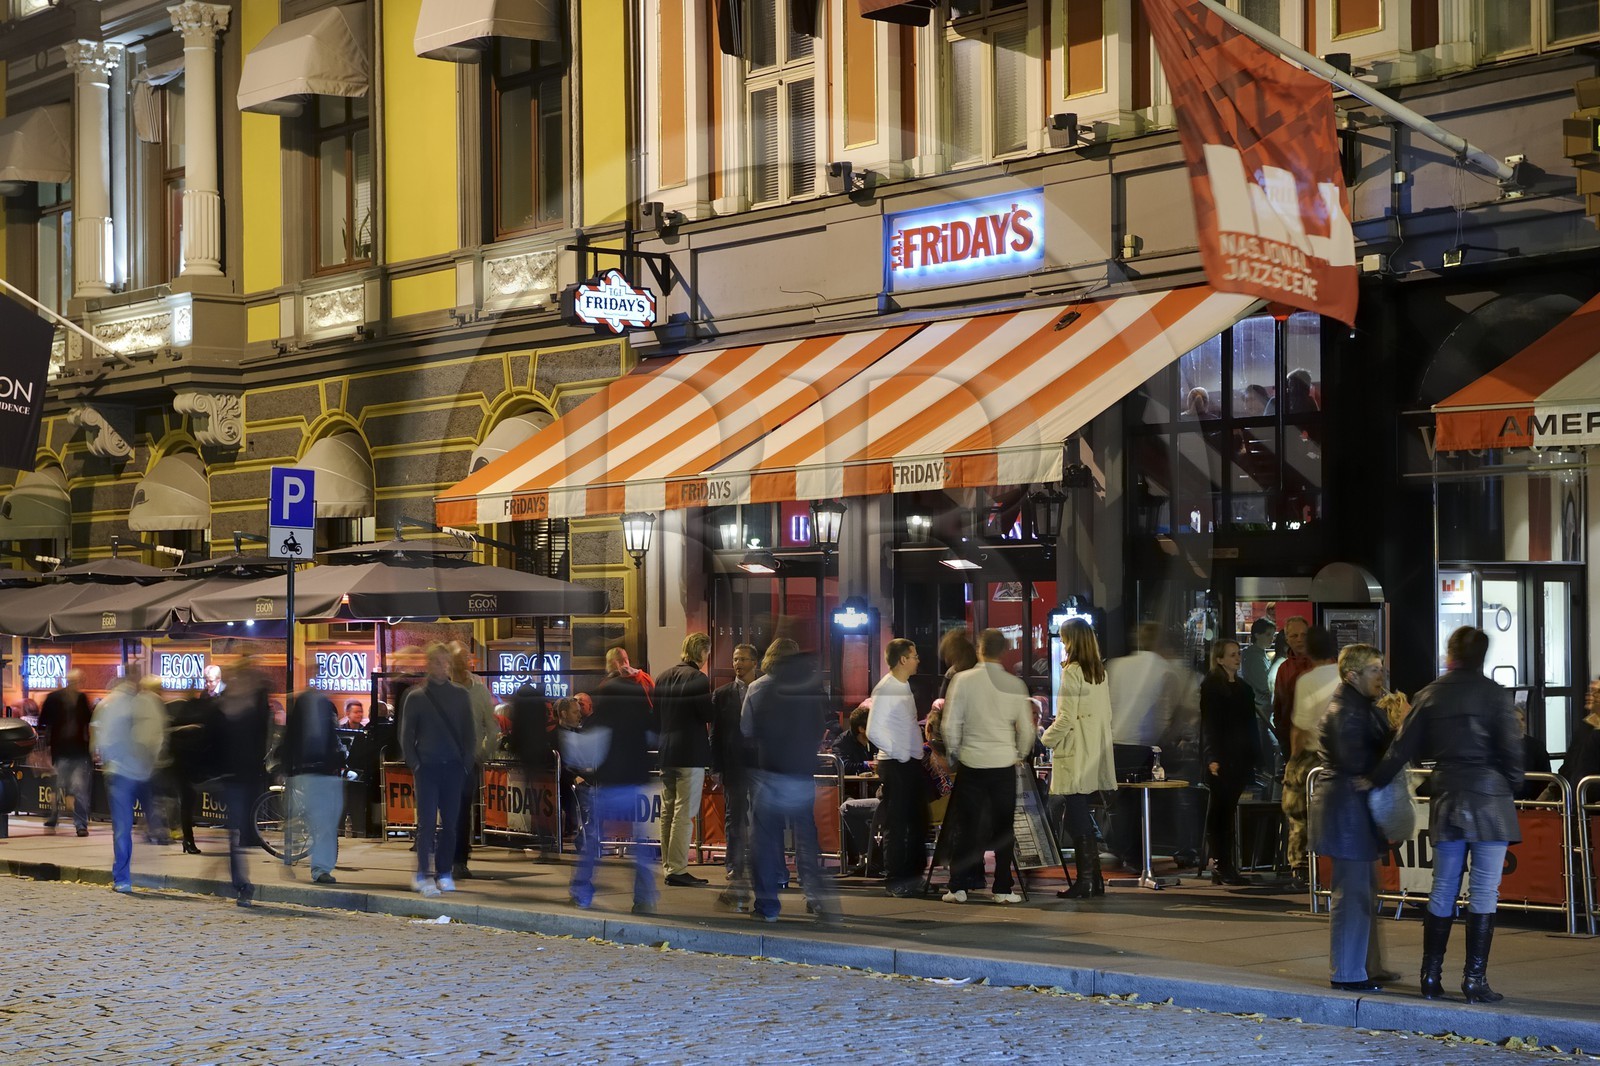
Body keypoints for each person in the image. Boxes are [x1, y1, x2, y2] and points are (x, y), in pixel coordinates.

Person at [1368, 626, 1522, 1004]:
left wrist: (1374, 781)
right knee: (1484, 890)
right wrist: (1512, 783)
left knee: (1443, 886)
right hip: (1490, 799)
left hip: (1448, 795)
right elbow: (1512, 753)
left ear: (1450, 654)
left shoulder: (1429, 694)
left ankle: (1431, 975)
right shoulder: (1496, 695)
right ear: (1482, 656)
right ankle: (1474, 979)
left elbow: (1402, 748)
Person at [1312, 643, 1396, 992]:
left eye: (1381, 668)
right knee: (1352, 895)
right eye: (1374, 669)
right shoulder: (1348, 711)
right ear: (1352, 675)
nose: (1381, 675)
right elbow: (1357, 761)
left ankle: (1363, 966)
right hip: (1347, 811)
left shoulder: (1357, 706)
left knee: (1361, 893)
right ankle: (1348, 972)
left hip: (1349, 811)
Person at [940, 629, 1035, 905]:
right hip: (1003, 763)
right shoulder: (1015, 685)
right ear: (1004, 651)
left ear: (979, 649)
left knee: (966, 826)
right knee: (1004, 828)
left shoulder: (962, 680)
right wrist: (1019, 753)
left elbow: (950, 724)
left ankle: (958, 886)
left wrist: (955, 752)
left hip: (972, 762)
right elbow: (1027, 730)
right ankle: (1003, 888)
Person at [746, 640, 839, 923]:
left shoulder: (761, 688)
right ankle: (816, 897)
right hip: (802, 775)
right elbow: (819, 727)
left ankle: (768, 905)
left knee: (764, 839)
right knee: (806, 838)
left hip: (772, 774)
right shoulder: (810, 692)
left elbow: (748, 728)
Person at [568, 655, 659, 914]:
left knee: (594, 838)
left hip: (608, 783)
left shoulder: (604, 715)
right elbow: (653, 737)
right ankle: (644, 897)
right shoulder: (640, 712)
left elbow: (591, 748)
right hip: (634, 782)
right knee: (640, 844)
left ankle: (582, 889)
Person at [1042, 618, 1116, 899]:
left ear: (1071, 640)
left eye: (1063, 639)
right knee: (1079, 813)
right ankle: (1093, 880)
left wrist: (1045, 739)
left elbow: (1065, 718)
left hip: (1075, 752)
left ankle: (1086, 882)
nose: (1062, 644)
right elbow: (1106, 715)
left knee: (1076, 817)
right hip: (1094, 750)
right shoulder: (1099, 673)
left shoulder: (1072, 672)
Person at [401, 644, 476, 897]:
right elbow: (406, 735)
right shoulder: (416, 697)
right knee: (427, 824)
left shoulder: (460, 695)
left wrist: (465, 763)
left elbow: (469, 733)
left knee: (450, 824)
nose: (443, 667)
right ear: (429, 664)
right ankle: (423, 873)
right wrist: (416, 763)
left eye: (446, 662)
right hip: (428, 768)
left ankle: (444, 872)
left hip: (452, 767)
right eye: (438, 662)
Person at [90, 669, 166, 894]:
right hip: (130, 771)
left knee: (125, 827)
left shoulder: (114, 703)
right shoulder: (133, 702)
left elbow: (101, 736)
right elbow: (158, 735)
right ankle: (124, 875)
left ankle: (123, 877)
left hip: (127, 771)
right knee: (127, 826)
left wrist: (108, 757)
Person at [866, 638, 926, 898]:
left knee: (915, 821)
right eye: (914, 656)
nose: (918, 660)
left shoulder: (902, 686)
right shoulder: (887, 688)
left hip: (908, 762)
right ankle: (895, 879)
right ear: (903, 659)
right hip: (897, 764)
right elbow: (873, 730)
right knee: (898, 823)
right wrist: (901, 753)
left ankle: (912, 876)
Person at [654, 633, 715, 888]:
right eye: (707, 652)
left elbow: (656, 716)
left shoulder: (663, 677)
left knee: (667, 812)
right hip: (690, 753)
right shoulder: (698, 678)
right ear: (701, 652)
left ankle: (668, 866)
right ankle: (678, 868)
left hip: (666, 752)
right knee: (683, 813)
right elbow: (707, 713)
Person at [1199, 639, 1260, 886]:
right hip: (1223, 756)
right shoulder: (1213, 687)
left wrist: (1254, 754)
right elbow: (1210, 724)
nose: (1237, 658)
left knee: (1227, 808)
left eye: (1238, 654)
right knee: (1221, 811)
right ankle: (1221, 862)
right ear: (1220, 659)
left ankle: (1224, 863)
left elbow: (1250, 724)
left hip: (1239, 756)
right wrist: (1211, 756)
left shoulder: (1243, 688)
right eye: (1232, 655)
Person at [1282, 626, 1339, 882]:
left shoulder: (1307, 680)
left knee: (1299, 810)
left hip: (1314, 757)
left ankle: (1302, 865)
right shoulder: (1346, 675)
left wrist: (1293, 761)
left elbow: (1301, 728)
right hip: (1342, 757)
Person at [281, 668, 345, 885]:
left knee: (328, 820)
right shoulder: (303, 703)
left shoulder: (325, 704)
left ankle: (321, 866)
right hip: (309, 770)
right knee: (322, 821)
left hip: (326, 770)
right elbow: (291, 736)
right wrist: (289, 768)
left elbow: (331, 736)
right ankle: (320, 868)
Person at [218, 657, 272, 906]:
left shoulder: (254, 701)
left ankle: (240, 880)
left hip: (246, 772)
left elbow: (263, 733)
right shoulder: (229, 702)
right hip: (234, 774)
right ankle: (242, 883)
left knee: (241, 831)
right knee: (237, 830)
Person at [711, 643, 758, 911]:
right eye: (735, 659)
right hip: (733, 764)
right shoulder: (722, 694)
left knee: (762, 816)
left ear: (755, 662)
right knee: (735, 817)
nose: (738, 664)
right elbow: (716, 734)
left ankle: (762, 864)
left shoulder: (763, 689)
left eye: (743, 659)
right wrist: (716, 767)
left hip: (759, 764)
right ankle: (734, 865)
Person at [449, 643, 499, 881]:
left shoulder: (479, 691)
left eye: (464, 658)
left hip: (468, 760)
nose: (462, 663)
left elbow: (492, 725)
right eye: (457, 659)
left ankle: (458, 860)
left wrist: (483, 752)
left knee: (461, 811)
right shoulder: (442, 689)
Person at [38, 670, 92, 837]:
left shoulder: (81, 699)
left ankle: (80, 824)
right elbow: (44, 723)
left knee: (78, 788)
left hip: (78, 751)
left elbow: (87, 724)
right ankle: (54, 815)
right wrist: (45, 750)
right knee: (58, 786)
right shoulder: (54, 699)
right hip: (61, 751)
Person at [1107, 622, 1176, 749]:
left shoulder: (1116, 665)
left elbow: (1111, 704)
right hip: (1144, 742)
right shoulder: (1164, 669)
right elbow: (1164, 715)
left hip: (1116, 739)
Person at [1271, 616, 1312, 759]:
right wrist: (1282, 734)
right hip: (1290, 739)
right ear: (1287, 639)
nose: (1300, 639)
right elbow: (1278, 704)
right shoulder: (1283, 668)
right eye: (1295, 636)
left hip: (1316, 741)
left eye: (1304, 635)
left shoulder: (1320, 663)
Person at [831, 704, 876, 774]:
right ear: (861, 729)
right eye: (872, 725)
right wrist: (867, 765)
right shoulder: (842, 742)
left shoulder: (874, 741)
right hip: (850, 781)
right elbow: (842, 766)